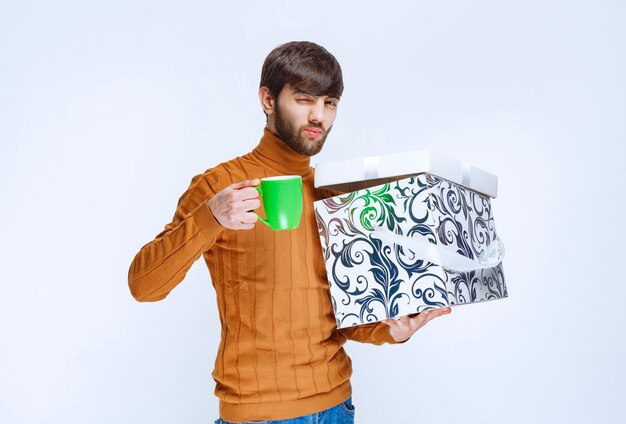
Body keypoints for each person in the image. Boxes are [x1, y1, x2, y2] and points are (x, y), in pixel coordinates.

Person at [128, 41, 451, 424]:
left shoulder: (334, 193)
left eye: (329, 103)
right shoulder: (221, 187)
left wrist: (392, 330)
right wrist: (209, 218)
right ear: (268, 99)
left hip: (337, 407)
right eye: (304, 100)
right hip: (258, 414)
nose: (319, 116)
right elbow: (144, 286)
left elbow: (343, 311)